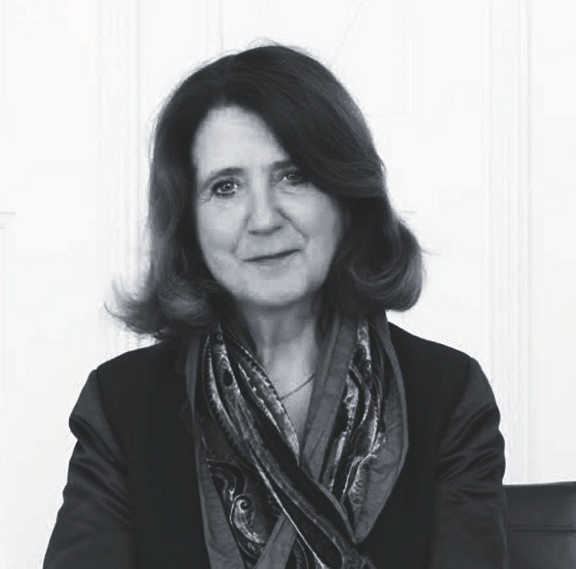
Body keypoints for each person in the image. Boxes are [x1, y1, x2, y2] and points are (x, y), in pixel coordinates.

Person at [44, 45, 509, 569]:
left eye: (293, 176)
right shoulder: (121, 403)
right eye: (226, 187)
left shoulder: (447, 394)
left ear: (346, 196)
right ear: (189, 222)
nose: (263, 218)